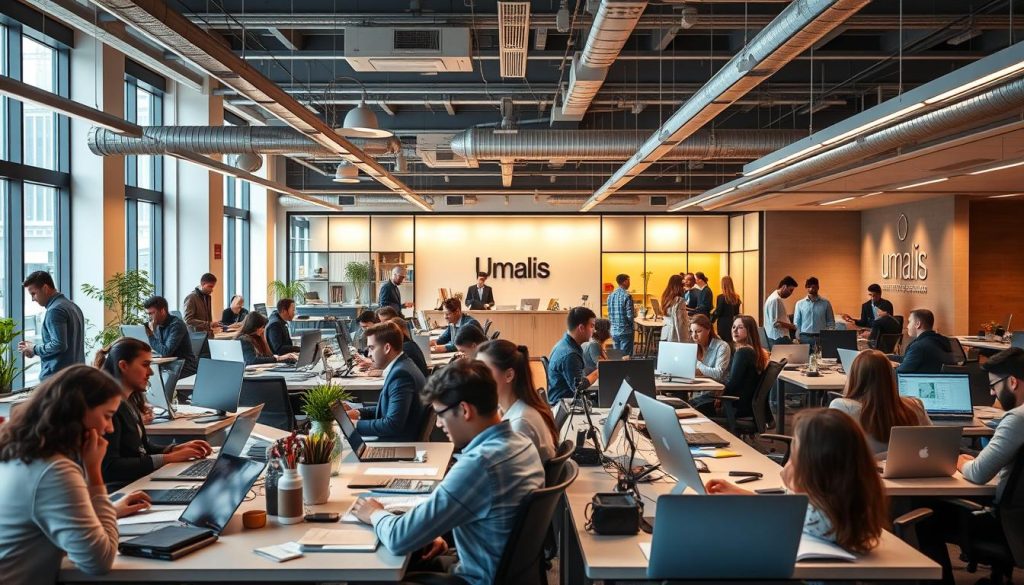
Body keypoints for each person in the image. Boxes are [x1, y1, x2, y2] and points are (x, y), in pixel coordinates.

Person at [351, 359, 544, 585]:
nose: (439, 424)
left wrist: (374, 513)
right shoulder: (522, 443)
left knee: (365, 574)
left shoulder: (479, 465)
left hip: (473, 579)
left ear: (464, 410)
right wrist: (434, 530)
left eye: (440, 414)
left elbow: (398, 538)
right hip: (496, 568)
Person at [0, 366, 153, 585]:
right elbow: (98, 561)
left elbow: (50, 520)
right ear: (79, 413)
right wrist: (94, 472)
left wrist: (110, 510)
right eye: (107, 416)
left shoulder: (22, 454)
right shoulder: (54, 470)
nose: (110, 428)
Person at [706, 408, 887, 555]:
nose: (790, 461)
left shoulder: (825, 522)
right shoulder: (843, 505)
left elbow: (783, 514)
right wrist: (743, 495)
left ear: (814, 467)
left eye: (794, 455)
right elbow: (786, 509)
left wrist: (790, 479)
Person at [94, 339, 212, 491]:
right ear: (123, 366)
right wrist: (167, 458)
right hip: (123, 491)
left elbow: (143, 449)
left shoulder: (129, 401)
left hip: (136, 484)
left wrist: (174, 449)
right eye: (145, 365)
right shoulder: (109, 408)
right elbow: (110, 467)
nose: (150, 372)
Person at [829, 350, 931, 454]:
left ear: (854, 377)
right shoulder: (915, 406)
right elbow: (932, 445)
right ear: (890, 376)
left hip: (866, 465)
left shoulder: (843, 407)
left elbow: (833, 454)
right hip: (907, 464)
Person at [958, 347, 1024, 502]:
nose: (992, 393)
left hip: (1010, 512)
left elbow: (978, 473)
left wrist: (959, 462)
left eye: (993, 386)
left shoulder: (1017, 418)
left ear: (1013, 382)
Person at [344, 322, 427, 442]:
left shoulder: (401, 375)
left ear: (387, 348)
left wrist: (354, 425)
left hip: (398, 443)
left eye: (372, 348)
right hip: (400, 438)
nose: (369, 354)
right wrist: (358, 413)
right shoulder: (402, 365)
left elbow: (392, 425)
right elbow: (388, 409)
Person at [479, 339, 559, 461]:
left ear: (509, 375)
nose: (477, 378)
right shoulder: (510, 408)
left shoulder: (520, 423)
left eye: (484, 372)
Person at [18, 271, 85, 381]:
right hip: (75, 376)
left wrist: (34, 348)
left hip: (58, 380)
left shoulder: (55, 310)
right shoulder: (73, 306)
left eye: (33, 293)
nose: (32, 299)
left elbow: (59, 345)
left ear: (45, 288)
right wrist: (34, 350)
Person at [700, 315, 768, 418]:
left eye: (740, 327)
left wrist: (720, 396)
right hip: (743, 405)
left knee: (693, 406)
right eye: (733, 327)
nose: (735, 331)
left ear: (749, 331)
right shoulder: (752, 351)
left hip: (735, 407)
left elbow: (732, 383)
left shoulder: (743, 352)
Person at [546, 307, 599, 405]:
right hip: (565, 405)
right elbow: (579, 387)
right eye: (592, 326)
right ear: (581, 328)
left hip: (563, 399)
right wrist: (599, 371)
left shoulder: (564, 344)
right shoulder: (570, 355)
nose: (594, 330)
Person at [143, 295, 198, 379]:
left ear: (162, 311)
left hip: (183, 367)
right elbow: (161, 350)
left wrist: (150, 335)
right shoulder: (157, 325)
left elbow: (166, 352)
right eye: (148, 314)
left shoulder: (176, 325)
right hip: (167, 366)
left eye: (151, 313)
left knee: (152, 377)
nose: (149, 317)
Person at [687, 315, 732, 413]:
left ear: (708, 330)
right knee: (673, 401)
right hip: (696, 392)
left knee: (684, 408)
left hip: (712, 396)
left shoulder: (722, 347)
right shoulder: (693, 347)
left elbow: (718, 373)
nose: (694, 336)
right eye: (692, 331)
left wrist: (698, 365)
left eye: (698, 331)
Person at [893, 309, 954, 374]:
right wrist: (887, 358)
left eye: (909, 322)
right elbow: (908, 358)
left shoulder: (919, 347)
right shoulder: (940, 340)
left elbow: (901, 371)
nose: (907, 326)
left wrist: (890, 367)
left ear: (918, 324)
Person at [793, 277, 836, 350]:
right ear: (806, 288)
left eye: (814, 286)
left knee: (821, 356)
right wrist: (797, 336)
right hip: (804, 336)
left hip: (821, 336)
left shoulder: (826, 303)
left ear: (818, 287)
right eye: (809, 287)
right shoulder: (799, 304)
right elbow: (797, 322)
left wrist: (829, 336)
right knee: (805, 357)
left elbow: (831, 322)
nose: (812, 288)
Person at [182, 273, 222, 337]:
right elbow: (188, 320)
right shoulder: (191, 297)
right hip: (196, 337)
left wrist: (211, 326)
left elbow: (208, 320)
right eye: (210, 286)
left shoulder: (207, 297)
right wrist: (209, 324)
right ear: (202, 284)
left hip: (206, 335)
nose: (212, 290)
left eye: (213, 287)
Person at [607, 273, 635, 356]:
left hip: (614, 331)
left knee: (616, 357)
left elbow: (609, 313)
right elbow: (630, 315)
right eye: (629, 281)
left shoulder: (610, 296)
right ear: (625, 282)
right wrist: (632, 326)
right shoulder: (627, 296)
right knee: (626, 357)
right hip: (625, 331)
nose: (629, 283)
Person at [764, 276, 798, 345]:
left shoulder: (774, 298)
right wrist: (792, 326)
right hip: (778, 337)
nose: (790, 293)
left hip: (778, 337)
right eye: (790, 290)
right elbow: (775, 323)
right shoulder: (775, 299)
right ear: (784, 287)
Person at [659, 274, 690, 343]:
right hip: (675, 335)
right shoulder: (679, 300)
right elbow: (680, 321)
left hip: (665, 333)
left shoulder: (665, 297)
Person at [712, 275, 742, 343]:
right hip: (733, 322)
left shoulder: (721, 297)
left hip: (723, 323)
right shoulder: (736, 297)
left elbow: (718, 312)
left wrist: (711, 320)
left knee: (723, 342)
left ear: (723, 285)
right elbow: (737, 313)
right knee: (732, 341)